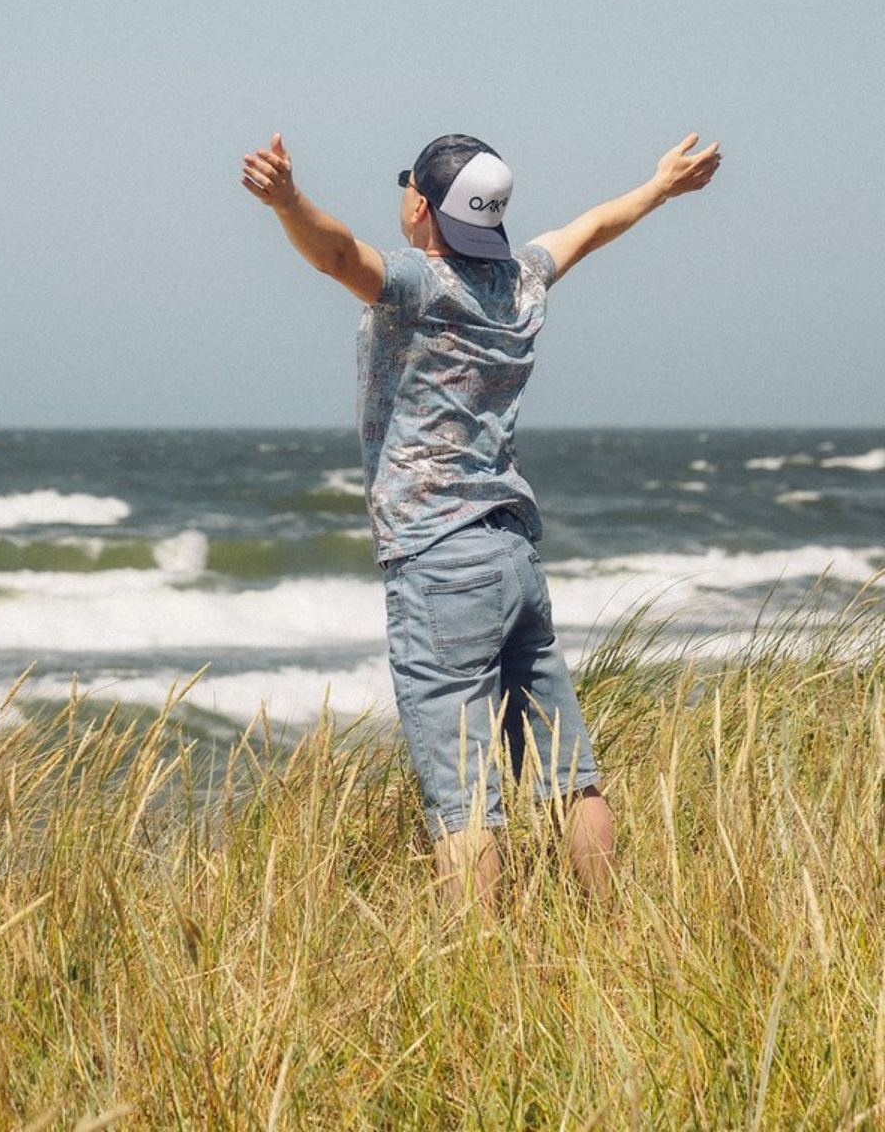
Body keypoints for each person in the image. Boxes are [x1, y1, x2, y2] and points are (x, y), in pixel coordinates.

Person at [241, 128, 722, 910]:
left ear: (422, 205)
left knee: (464, 803)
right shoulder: (523, 277)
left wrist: (287, 200)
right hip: (512, 554)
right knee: (570, 775)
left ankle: (477, 968)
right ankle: (615, 933)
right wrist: (660, 186)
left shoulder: (418, 286)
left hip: (439, 563)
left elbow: (335, 256)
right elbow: (592, 227)